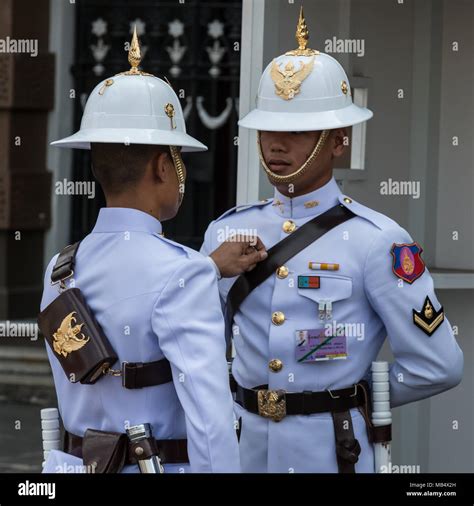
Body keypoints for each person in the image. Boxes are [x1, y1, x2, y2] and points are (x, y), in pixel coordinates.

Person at [200, 8, 463, 473]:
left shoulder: (378, 242)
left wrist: (349, 397)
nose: (276, 145)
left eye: (296, 131)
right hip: (239, 452)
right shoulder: (225, 232)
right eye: (268, 130)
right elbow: (200, 345)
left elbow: (437, 365)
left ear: (339, 139)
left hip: (332, 452)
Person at [39, 28, 265, 474]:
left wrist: (204, 267)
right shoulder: (182, 273)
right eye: (178, 158)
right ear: (164, 167)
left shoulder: (59, 266)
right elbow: (210, 423)